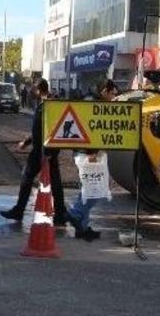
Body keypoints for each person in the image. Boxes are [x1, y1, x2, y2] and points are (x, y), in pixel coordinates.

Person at [0, 79, 72, 226]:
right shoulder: (43, 105)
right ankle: (60, 213)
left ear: (39, 90)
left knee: (28, 178)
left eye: (34, 89)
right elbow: (39, 130)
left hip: (45, 151)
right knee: (54, 183)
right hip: (42, 149)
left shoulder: (50, 105)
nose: (32, 92)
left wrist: (50, 152)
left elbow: (53, 130)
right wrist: (26, 142)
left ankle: (20, 211)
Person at [68, 80, 119, 241]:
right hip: (88, 154)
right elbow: (88, 129)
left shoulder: (93, 101)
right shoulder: (92, 104)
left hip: (91, 153)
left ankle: (82, 228)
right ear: (104, 91)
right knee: (95, 189)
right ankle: (74, 214)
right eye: (112, 94)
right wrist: (91, 152)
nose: (113, 97)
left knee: (88, 188)